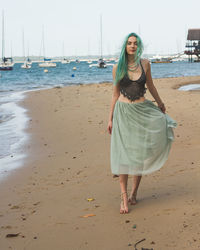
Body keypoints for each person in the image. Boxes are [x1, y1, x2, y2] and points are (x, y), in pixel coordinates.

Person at [107, 32, 177, 214]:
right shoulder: (117, 67)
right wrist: (110, 118)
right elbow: (115, 94)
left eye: (135, 43)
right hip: (123, 112)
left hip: (142, 111)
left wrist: (160, 104)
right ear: (125, 46)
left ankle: (134, 193)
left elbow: (151, 86)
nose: (132, 46)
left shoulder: (145, 64)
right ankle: (123, 198)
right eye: (129, 43)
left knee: (138, 154)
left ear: (139, 46)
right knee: (124, 156)